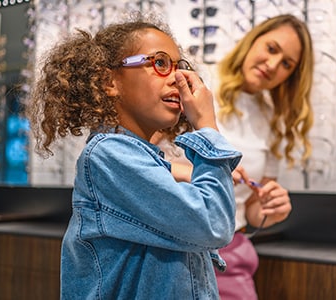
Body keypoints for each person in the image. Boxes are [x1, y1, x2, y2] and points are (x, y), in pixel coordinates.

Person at [25, 13, 243, 299]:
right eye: (160, 63)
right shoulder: (109, 155)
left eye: (181, 67)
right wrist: (207, 127)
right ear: (109, 81)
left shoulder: (138, 157)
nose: (178, 79)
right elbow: (212, 224)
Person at [153, 14, 314, 299]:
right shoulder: (196, 83)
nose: (273, 65)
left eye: (287, 63)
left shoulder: (273, 120)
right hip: (169, 247)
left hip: (229, 253)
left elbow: (249, 207)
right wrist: (197, 171)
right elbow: (137, 159)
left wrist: (268, 209)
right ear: (252, 41)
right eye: (272, 48)